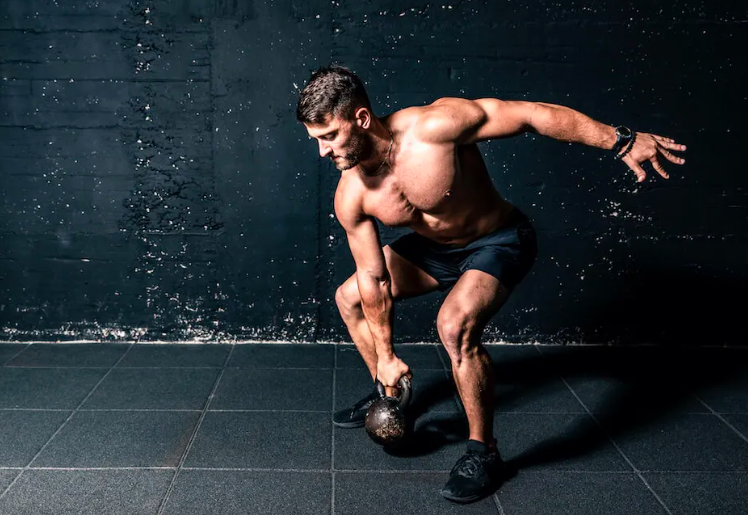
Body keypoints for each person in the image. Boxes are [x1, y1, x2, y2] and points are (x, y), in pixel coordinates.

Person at [296, 65, 686, 503]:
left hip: (498, 240)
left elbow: (533, 115)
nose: (322, 152)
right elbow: (373, 277)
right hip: (435, 250)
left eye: (328, 136)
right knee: (348, 296)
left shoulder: (436, 127)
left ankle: (484, 452)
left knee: (453, 326)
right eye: (316, 140)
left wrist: (621, 140)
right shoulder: (351, 195)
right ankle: (389, 393)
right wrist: (386, 356)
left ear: (362, 119)